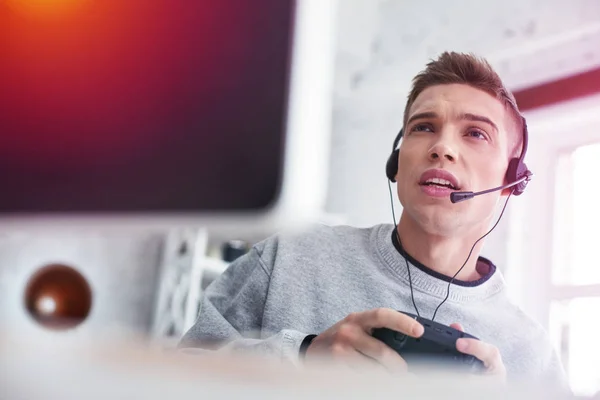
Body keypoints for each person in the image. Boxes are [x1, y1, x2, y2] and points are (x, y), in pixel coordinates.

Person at [179, 52, 568, 389]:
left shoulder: (531, 355)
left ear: (511, 181)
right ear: (396, 163)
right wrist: (303, 355)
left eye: (476, 134)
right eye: (424, 127)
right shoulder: (289, 258)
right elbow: (170, 377)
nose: (442, 147)